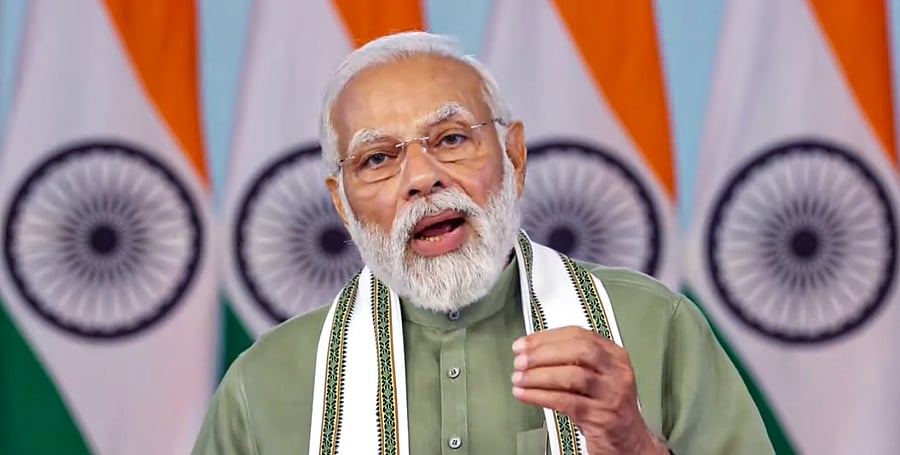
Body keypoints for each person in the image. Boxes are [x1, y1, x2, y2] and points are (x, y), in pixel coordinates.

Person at [193, 31, 773, 455]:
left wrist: (634, 444)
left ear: (514, 158)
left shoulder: (656, 326)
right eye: (377, 158)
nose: (421, 177)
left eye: (449, 139)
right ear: (342, 204)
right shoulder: (264, 383)